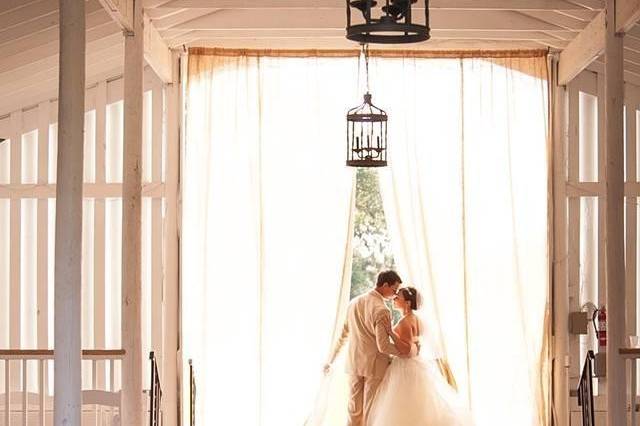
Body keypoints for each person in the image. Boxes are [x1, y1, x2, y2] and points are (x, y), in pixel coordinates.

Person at [368, 286, 473, 426]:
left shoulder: (405, 322)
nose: (394, 299)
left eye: (398, 297)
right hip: (417, 363)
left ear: (408, 303)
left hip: (406, 366)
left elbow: (406, 350)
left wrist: (390, 332)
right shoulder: (416, 319)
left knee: (404, 402)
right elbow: (416, 346)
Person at [324, 270, 410, 426]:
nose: (395, 294)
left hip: (354, 363)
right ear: (385, 285)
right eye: (394, 290)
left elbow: (343, 335)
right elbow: (383, 346)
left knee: (353, 410)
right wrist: (404, 351)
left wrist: (331, 358)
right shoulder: (382, 310)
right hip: (374, 366)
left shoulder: (353, 303)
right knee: (371, 410)